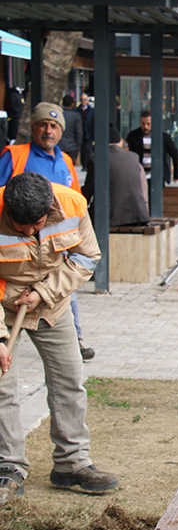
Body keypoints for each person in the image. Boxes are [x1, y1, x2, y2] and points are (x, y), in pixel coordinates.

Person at [0, 172, 118, 503]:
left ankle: (71, 464)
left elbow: (85, 257)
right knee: (1, 384)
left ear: (49, 209)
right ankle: (8, 466)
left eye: (34, 225)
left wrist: (44, 292)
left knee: (69, 379)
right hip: (3, 302)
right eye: (18, 225)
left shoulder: (72, 205)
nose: (27, 232)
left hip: (52, 301)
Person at [0, 103, 92, 361]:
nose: (48, 131)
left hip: (52, 256)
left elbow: (75, 203)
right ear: (32, 128)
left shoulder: (65, 161)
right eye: (43, 125)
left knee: (64, 294)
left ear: (61, 132)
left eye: (54, 126)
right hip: (14, 258)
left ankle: (76, 338)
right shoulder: (14, 155)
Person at [81, 127, 149, 227]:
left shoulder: (96, 159)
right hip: (139, 216)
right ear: (120, 141)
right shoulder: (133, 157)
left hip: (112, 217)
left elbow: (88, 190)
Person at [126, 110, 178, 190]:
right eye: (143, 123)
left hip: (157, 176)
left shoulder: (163, 137)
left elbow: (175, 153)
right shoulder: (133, 136)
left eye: (148, 124)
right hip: (139, 175)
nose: (145, 126)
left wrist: (177, 174)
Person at [59, 95, 84, 165]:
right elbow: (79, 132)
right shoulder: (76, 116)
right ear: (72, 104)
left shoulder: (60, 115)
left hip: (59, 145)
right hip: (72, 146)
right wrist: (78, 145)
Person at [77, 93, 94, 170]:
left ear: (87, 101)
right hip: (80, 132)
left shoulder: (92, 110)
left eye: (85, 100)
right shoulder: (77, 110)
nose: (83, 101)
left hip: (88, 133)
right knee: (82, 150)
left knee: (88, 149)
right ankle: (83, 164)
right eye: (82, 100)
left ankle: (87, 165)